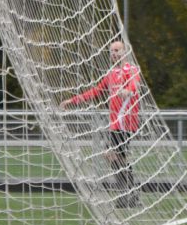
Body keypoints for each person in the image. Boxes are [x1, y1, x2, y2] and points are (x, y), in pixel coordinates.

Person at [60, 40, 141, 207]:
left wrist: (128, 91)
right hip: (116, 123)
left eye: (117, 50)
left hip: (126, 121)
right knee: (117, 157)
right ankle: (130, 193)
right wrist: (73, 100)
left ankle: (128, 193)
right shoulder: (112, 73)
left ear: (125, 52)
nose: (114, 53)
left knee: (112, 155)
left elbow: (134, 84)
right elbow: (96, 91)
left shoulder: (131, 70)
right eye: (111, 51)